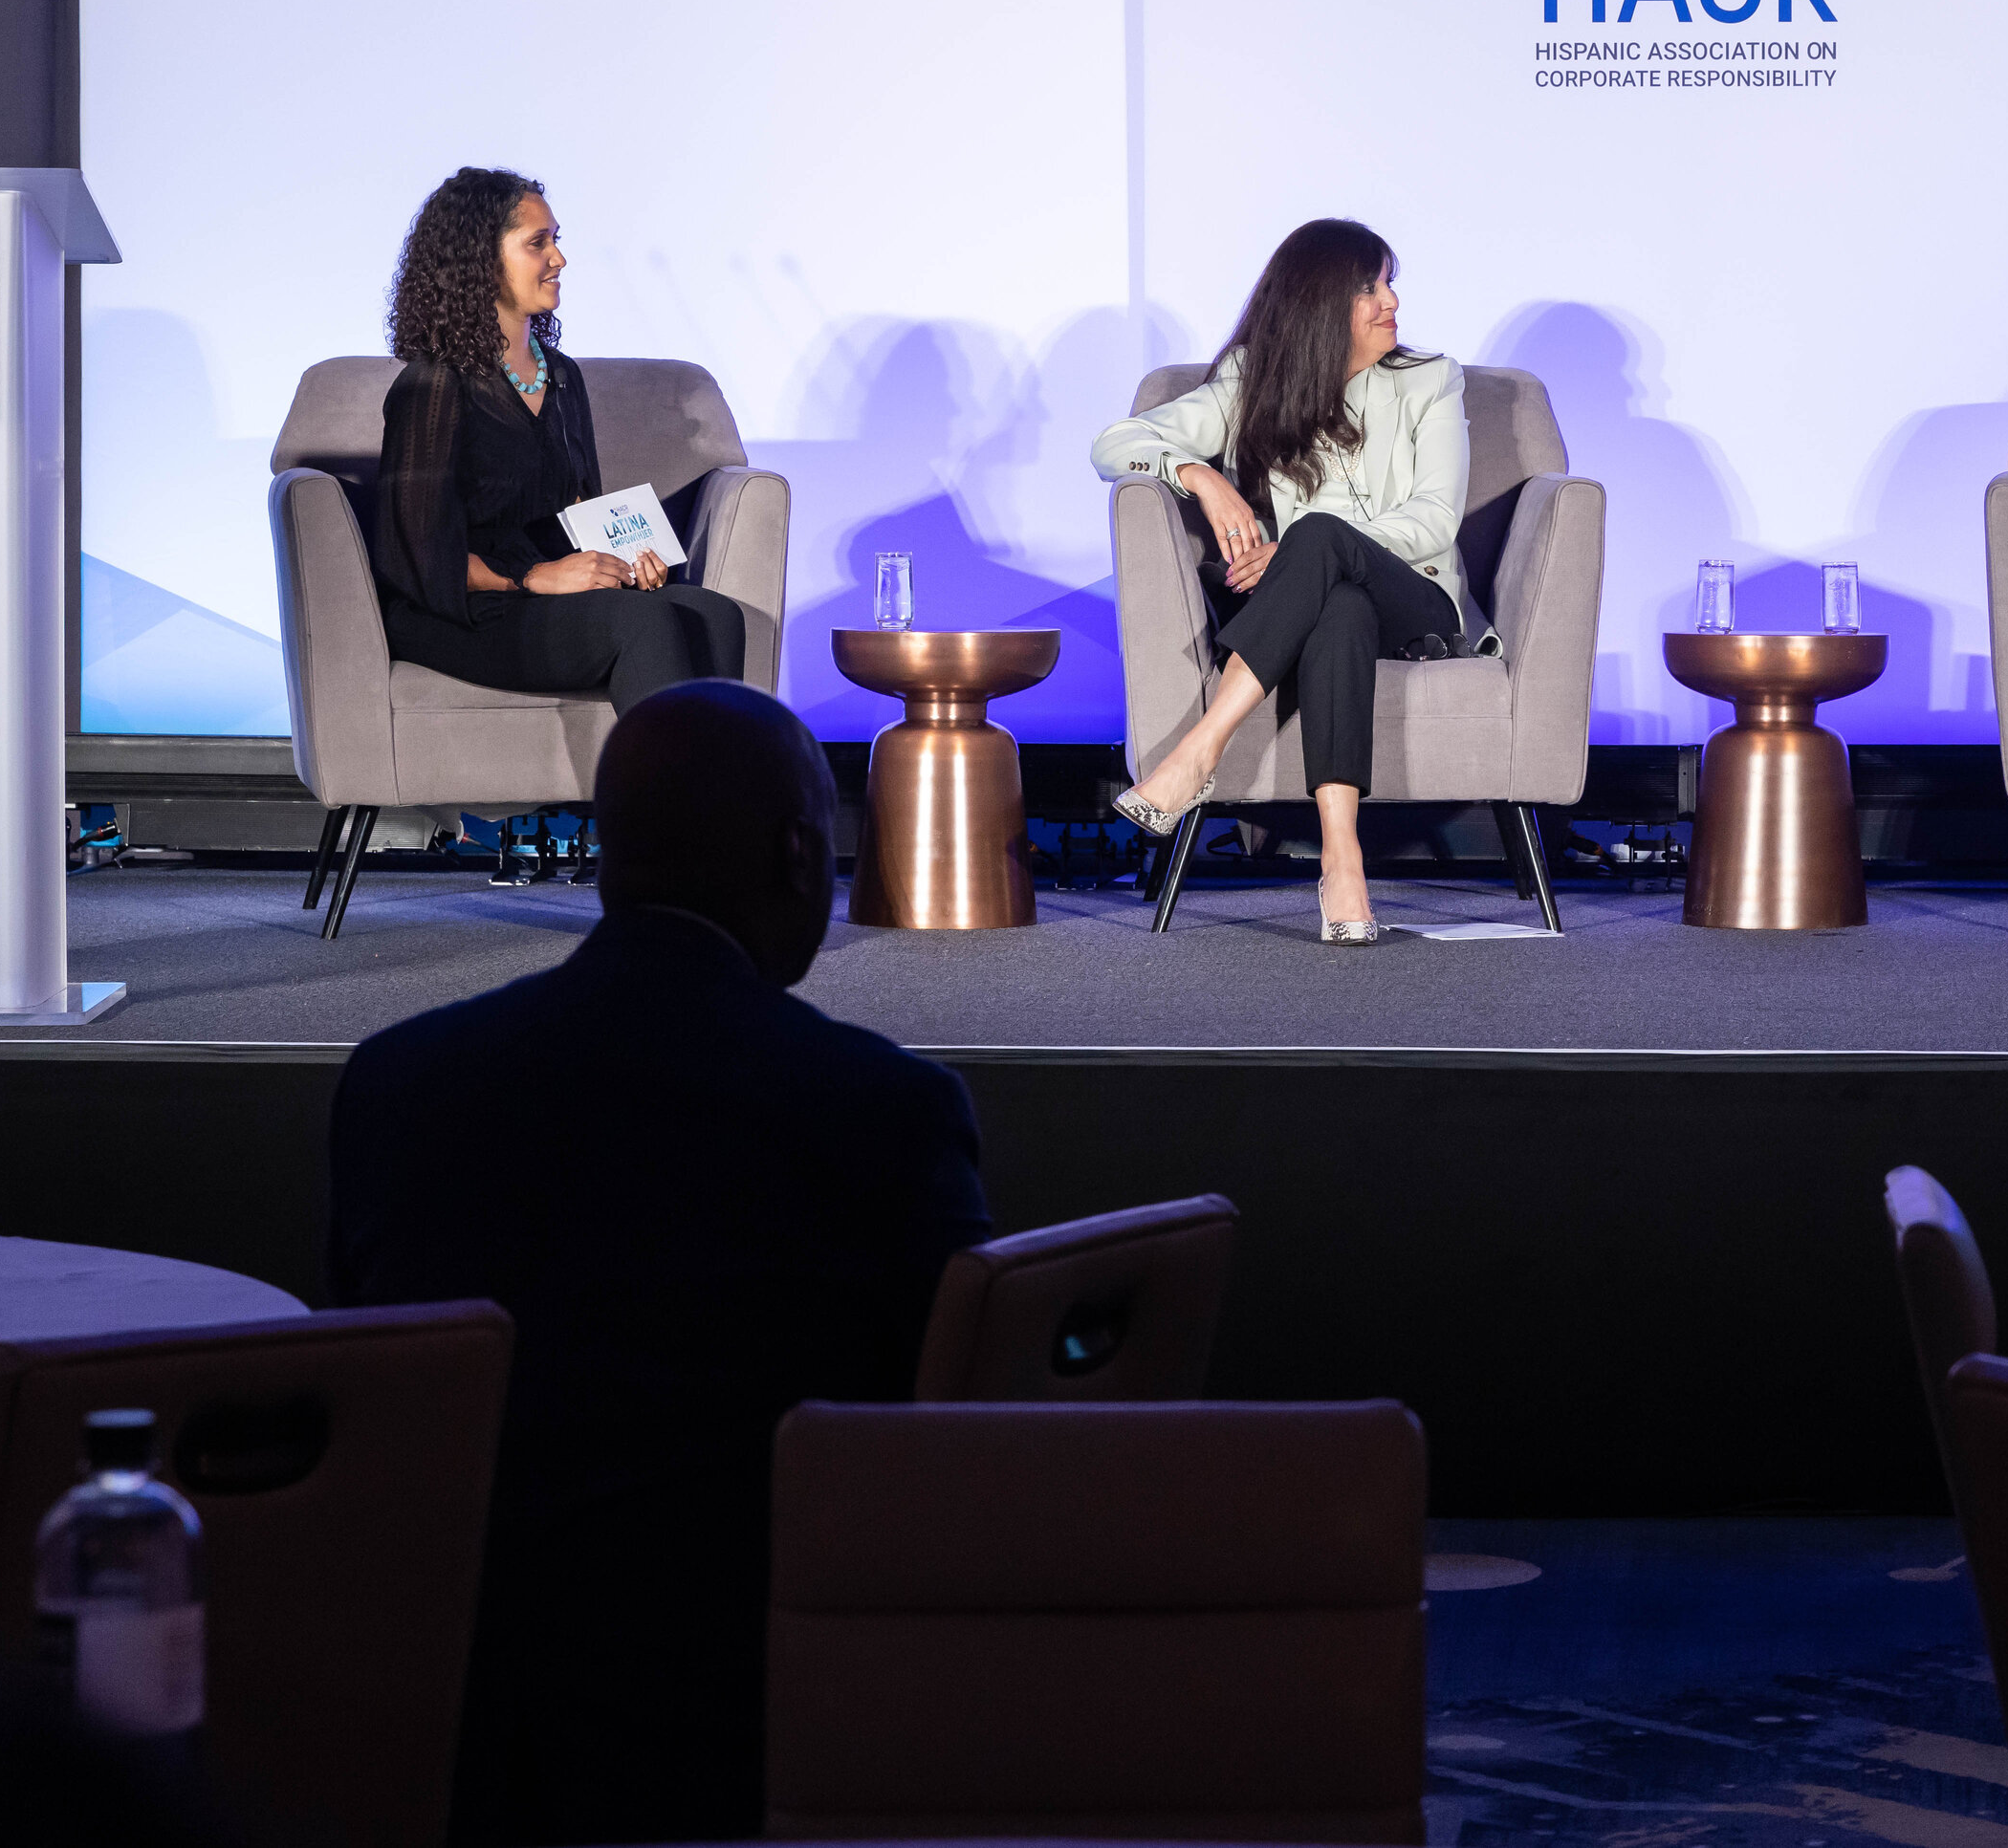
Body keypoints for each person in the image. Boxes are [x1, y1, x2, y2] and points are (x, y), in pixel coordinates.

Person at [329, 683, 992, 1846]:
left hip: (463, 1720)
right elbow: (953, 1444)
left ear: (605, 851)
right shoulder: (882, 1111)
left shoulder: (399, 1082)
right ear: (799, 851)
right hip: (777, 1723)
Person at [1094, 218, 1473, 945]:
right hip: (1331, 610)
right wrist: (1198, 474)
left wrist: (1316, 546)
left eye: (1389, 282)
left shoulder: (1432, 380)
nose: (1391, 300)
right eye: (1371, 285)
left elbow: (1434, 520)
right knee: (1339, 611)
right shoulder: (1252, 381)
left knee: (1323, 542)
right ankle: (1342, 861)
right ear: (1320, 303)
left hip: (1418, 602)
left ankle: (1199, 750)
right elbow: (1113, 443)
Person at [366, 166, 748, 725]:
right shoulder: (434, 385)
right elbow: (415, 555)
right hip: (463, 607)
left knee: (714, 615)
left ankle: (721, 805)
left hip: (543, 586)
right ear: (480, 261)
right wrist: (529, 578)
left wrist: (619, 563)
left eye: (556, 240)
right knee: (641, 624)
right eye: (537, 243)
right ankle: (664, 810)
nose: (558, 259)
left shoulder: (562, 376)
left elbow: (575, 514)